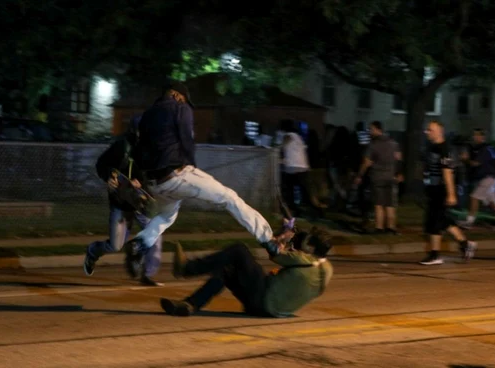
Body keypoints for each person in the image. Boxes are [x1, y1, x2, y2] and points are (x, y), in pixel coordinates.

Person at [127, 82, 282, 275]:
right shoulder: (180, 107)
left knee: (167, 216)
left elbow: (137, 147)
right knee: (229, 197)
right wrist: (191, 166)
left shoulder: (147, 115)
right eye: (184, 99)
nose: (185, 103)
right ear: (176, 94)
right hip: (178, 175)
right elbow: (186, 139)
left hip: (155, 183)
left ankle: (140, 243)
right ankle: (268, 240)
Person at [160, 227, 333, 318]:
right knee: (226, 270)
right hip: (272, 310)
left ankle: (186, 268)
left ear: (311, 247)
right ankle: (189, 305)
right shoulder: (327, 270)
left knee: (239, 250)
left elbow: (273, 252)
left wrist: (280, 239)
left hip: (263, 298)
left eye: (308, 239)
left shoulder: (303, 260)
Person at [83, 117, 163, 286]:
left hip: (141, 202)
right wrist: (108, 176)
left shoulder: (152, 150)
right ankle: (92, 251)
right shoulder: (121, 147)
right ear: (135, 132)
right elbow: (101, 164)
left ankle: (147, 274)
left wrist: (141, 182)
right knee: (115, 245)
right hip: (121, 202)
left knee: (155, 232)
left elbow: (153, 174)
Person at [421, 121, 477, 265]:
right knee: (442, 220)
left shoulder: (445, 149)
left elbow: (448, 173)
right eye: (427, 130)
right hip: (433, 189)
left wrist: (451, 194)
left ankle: (435, 255)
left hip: (442, 189)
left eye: (430, 130)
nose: (427, 132)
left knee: (435, 221)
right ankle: (465, 244)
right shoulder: (432, 147)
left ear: (440, 131)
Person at [354, 121, 402, 234]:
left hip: (377, 177)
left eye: (371, 129)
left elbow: (366, 162)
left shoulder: (373, 145)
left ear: (377, 129)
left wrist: (359, 175)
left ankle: (379, 227)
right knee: (390, 204)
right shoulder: (393, 143)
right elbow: (398, 159)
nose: (370, 132)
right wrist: (399, 173)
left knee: (379, 204)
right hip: (391, 177)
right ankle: (391, 227)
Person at [458, 129, 495, 231]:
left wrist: (465, 159)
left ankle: (469, 222)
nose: (474, 137)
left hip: (488, 178)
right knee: (493, 201)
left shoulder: (484, 150)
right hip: (493, 178)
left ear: (483, 137)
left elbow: (476, 163)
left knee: (474, 197)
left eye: (477, 135)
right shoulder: (490, 148)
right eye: (474, 135)